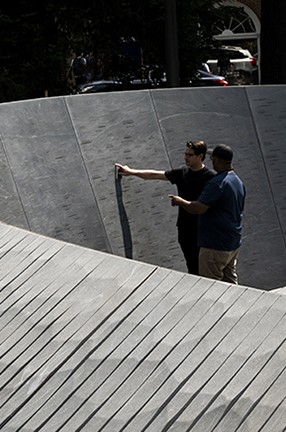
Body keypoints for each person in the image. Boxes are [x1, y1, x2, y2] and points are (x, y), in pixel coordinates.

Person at [115, 140, 216, 275]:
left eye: (189, 155)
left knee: (206, 270)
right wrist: (131, 172)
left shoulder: (211, 178)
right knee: (192, 267)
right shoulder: (182, 174)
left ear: (200, 156)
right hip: (185, 229)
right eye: (185, 154)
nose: (185, 157)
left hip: (204, 231)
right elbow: (155, 175)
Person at [169, 144, 246, 284]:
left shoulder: (217, 183)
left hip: (215, 245)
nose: (211, 161)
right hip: (233, 243)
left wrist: (180, 202)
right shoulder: (237, 181)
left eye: (212, 158)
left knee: (211, 285)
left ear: (218, 160)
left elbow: (199, 208)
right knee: (230, 283)